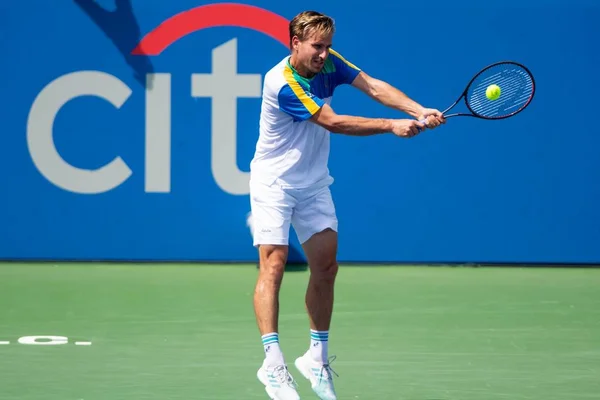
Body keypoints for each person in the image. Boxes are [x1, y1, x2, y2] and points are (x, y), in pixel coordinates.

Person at [249, 10, 445, 400]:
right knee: (274, 265)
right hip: (274, 183)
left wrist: (417, 110)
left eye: (327, 45)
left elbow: (372, 86)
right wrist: (390, 126)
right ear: (296, 44)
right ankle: (272, 365)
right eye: (316, 47)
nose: (323, 54)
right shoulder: (282, 82)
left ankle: (316, 359)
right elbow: (333, 122)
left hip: (313, 183)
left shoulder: (331, 63)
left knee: (326, 265)